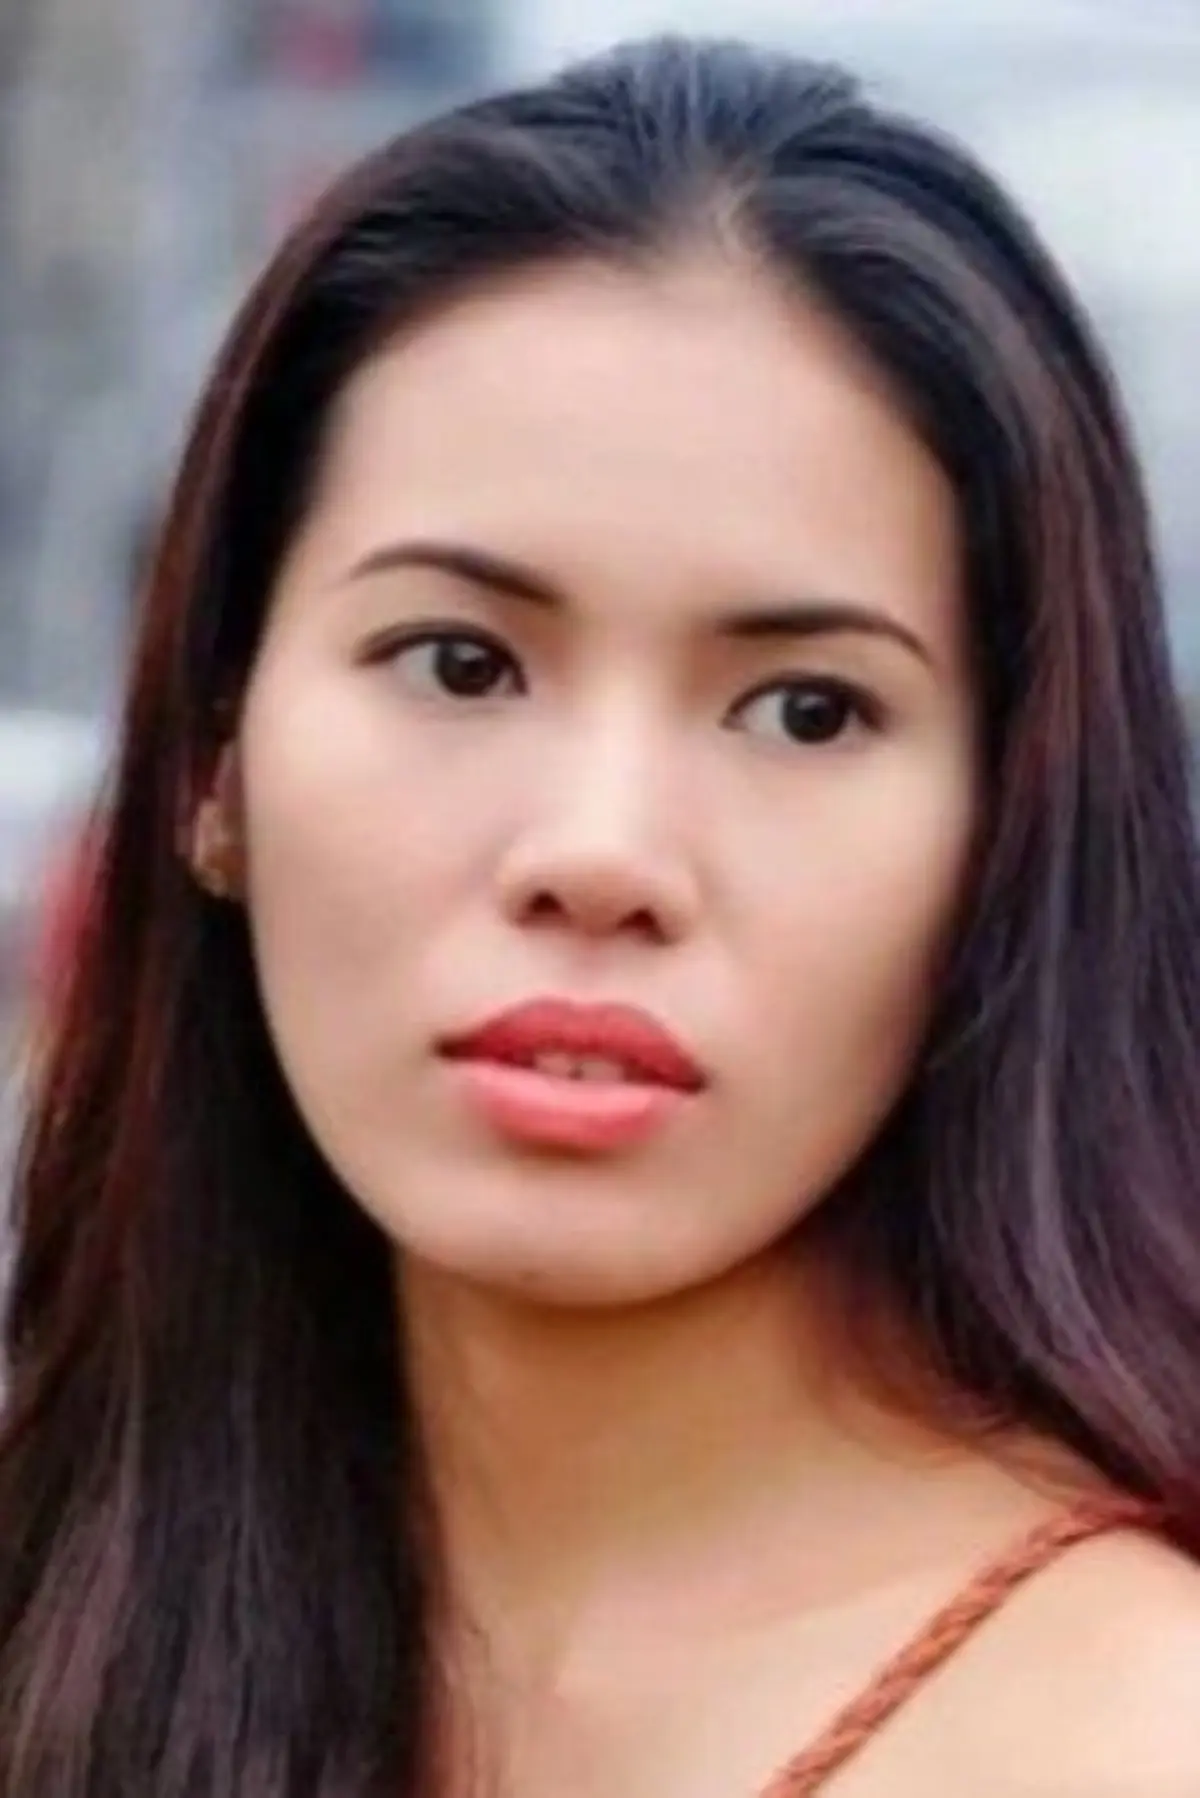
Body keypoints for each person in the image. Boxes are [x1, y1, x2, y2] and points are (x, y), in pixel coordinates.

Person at [2, 33, 1199, 1797]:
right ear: (215, 757)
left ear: (1007, 830)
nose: (602, 852)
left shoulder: (1125, 1732)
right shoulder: (75, 1604)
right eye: (459, 663)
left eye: (806, 709)